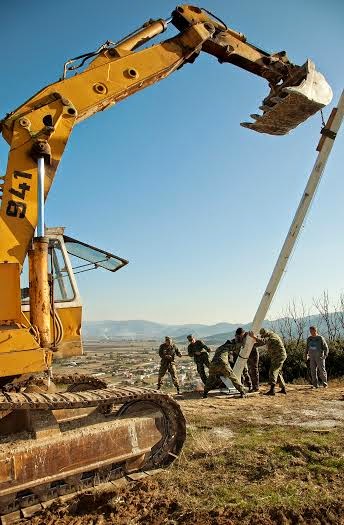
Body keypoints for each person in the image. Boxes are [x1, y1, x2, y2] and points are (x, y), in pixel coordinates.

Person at [249, 328, 287, 396]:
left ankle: (272, 390)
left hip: (278, 356)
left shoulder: (271, 337)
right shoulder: (271, 336)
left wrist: (253, 337)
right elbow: (261, 343)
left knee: (272, 371)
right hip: (279, 355)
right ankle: (283, 388)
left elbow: (263, 341)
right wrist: (252, 345)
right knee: (278, 372)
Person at [234, 327, 260, 392]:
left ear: (243, 333)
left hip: (253, 354)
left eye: (240, 335)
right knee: (247, 371)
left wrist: (254, 337)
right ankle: (249, 386)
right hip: (245, 355)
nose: (239, 337)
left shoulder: (249, 335)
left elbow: (261, 342)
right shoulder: (238, 337)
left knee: (254, 370)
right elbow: (237, 344)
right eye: (238, 336)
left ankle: (255, 387)